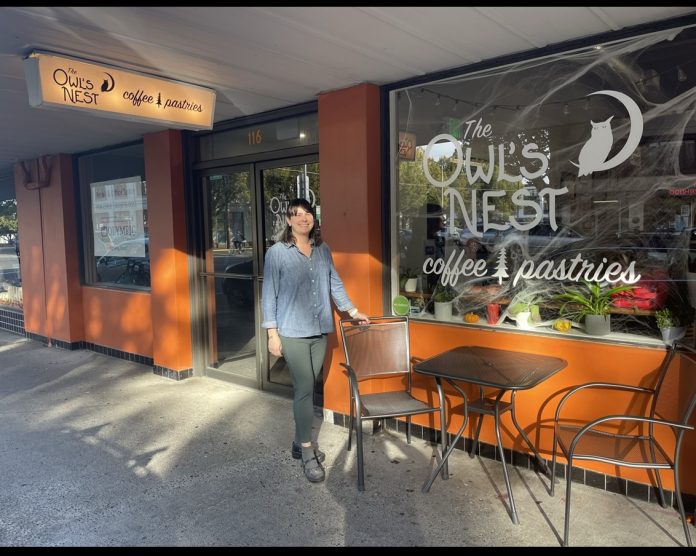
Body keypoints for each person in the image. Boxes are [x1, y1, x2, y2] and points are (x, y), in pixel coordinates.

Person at [261, 198, 369, 483]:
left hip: (319, 330)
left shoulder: (323, 250)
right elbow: (268, 294)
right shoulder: (277, 253)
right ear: (288, 221)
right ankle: (308, 452)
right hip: (291, 331)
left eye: (306, 213)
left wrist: (353, 311)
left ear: (313, 218)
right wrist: (272, 333)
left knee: (307, 388)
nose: (302, 219)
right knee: (306, 387)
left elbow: (335, 283)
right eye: (296, 215)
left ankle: (299, 441)